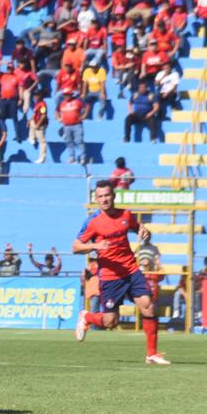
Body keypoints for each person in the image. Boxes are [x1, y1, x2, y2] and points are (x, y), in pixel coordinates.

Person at [73, 180, 170, 365]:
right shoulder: (93, 222)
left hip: (131, 270)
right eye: (100, 196)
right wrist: (95, 245)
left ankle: (152, 354)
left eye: (107, 195)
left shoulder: (125, 214)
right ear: (96, 199)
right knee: (111, 322)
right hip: (110, 277)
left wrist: (145, 232)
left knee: (148, 305)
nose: (104, 199)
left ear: (114, 196)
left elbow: (137, 228)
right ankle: (87, 316)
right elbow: (75, 247)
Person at [56, 91, 87, 164]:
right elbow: (56, 111)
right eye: (65, 95)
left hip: (77, 125)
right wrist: (58, 118)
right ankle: (72, 157)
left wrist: (84, 116)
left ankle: (83, 157)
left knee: (79, 141)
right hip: (66, 126)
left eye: (67, 95)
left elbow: (86, 106)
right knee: (68, 141)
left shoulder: (77, 101)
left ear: (71, 95)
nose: (66, 96)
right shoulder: (62, 103)